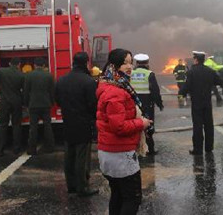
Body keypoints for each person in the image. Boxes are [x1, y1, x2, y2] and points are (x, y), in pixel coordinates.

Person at [97, 48, 152, 215]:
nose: (129, 67)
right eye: (125, 63)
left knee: (118, 195)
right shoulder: (116, 91)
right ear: (114, 66)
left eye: (131, 63)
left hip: (110, 152)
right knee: (132, 198)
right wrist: (141, 123)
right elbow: (119, 126)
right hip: (120, 155)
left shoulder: (112, 85)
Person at [55, 52, 99, 197]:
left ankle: (71, 185)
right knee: (82, 157)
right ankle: (83, 187)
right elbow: (93, 105)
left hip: (68, 122)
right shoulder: (88, 81)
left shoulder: (61, 80)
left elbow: (58, 101)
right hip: (83, 124)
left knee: (69, 155)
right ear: (86, 63)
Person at [179, 51, 221, 155]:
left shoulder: (192, 72)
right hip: (207, 102)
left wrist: (181, 94)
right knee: (208, 125)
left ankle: (197, 149)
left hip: (196, 102)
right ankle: (209, 147)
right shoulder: (210, 71)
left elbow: (187, 86)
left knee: (197, 126)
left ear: (196, 59)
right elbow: (219, 81)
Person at [0, 57, 25, 156]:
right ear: (19, 65)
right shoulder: (21, 75)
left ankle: (0, 150)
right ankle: (16, 149)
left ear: (9, 63)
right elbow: (24, 90)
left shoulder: (2, 72)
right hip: (17, 102)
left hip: (4, 101)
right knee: (16, 125)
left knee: (2, 125)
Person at [130, 53, 164, 155]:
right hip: (147, 103)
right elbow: (155, 91)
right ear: (147, 63)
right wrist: (159, 103)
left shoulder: (130, 73)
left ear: (136, 63)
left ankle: (133, 149)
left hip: (133, 103)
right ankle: (150, 149)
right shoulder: (150, 74)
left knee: (134, 125)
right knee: (148, 125)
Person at [24, 57, 55, 155]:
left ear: (34, 65)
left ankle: (32, 149)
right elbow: (52, 91)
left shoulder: (29, 76)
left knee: (33, 127)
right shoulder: (49, 76)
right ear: (44, 65)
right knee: (47, 126)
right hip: (46, 104)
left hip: (33, 105)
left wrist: (26, 103)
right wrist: (52, 102)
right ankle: (50, 147)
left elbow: (26, 92)